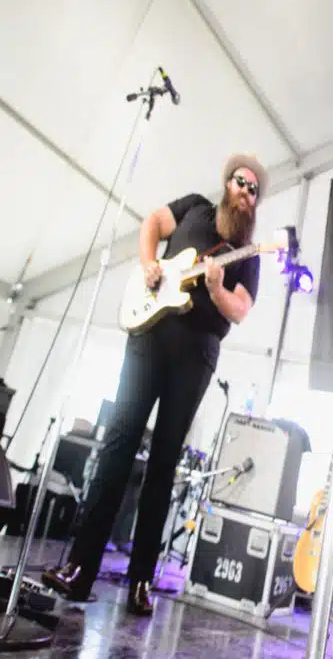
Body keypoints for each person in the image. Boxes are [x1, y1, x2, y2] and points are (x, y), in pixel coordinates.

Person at [43, 155, 265, 616]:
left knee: (164, 462)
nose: (248, 192)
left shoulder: (249, 252)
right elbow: (152, 223)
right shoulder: (195, 209)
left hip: (197, 354)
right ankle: (80, 567)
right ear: (227, 183)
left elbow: (240, 310)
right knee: (117, 444)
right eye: (243, 183)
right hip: (147, 337)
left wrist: (218, 288)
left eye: (256, 190)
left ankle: (140, 580)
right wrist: (148, 264)